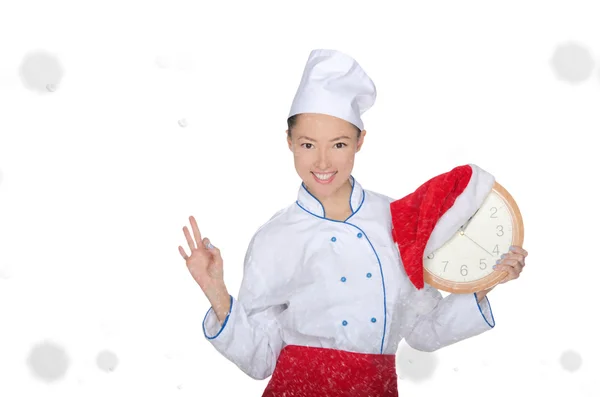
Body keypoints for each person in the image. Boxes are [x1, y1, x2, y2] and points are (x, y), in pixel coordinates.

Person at [177, 49, 528, 396]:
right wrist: (217, 293)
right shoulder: (275, 237)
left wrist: (487, 282)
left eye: (339, 144)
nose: (323, 161)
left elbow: (423, 331)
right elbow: (260, 361)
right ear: (289, 143)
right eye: (308, 144)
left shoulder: (397, 221)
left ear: (360, 141)